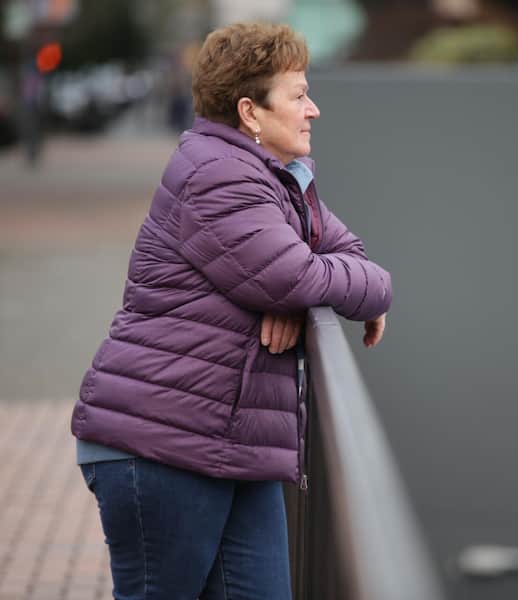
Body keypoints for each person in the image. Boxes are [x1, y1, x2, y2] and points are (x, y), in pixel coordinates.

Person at [70, 22, 392, 599]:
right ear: (249, 112)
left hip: (235, 445)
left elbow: (356, 265)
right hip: (161, 446)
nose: (313, 109)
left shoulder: (278, 179)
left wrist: (302, 295)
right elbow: (293, 274)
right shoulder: (220, 177)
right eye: (297, 95)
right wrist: (299, 287)